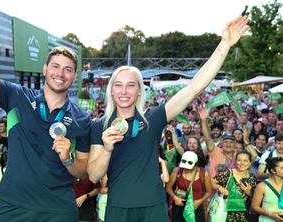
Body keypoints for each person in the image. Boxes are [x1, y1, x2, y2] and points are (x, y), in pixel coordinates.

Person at [87, 15, 249, 222]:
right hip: (118, 208)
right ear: (111, 90)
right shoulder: (99, 125)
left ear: (139, 91)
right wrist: (107, 148)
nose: (124, 91)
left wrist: (224, 44)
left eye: (131, 85)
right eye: (118, 85)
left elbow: (194, 87)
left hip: (153, 208)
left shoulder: (152, 119)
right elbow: (93, 175)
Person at [0, 1, 91, 221]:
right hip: (14, 207)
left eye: (68, 69)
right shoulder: (17, 97)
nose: (60, 73)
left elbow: (82, 171)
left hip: (58, 209)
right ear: (44, 69)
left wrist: (67, 159)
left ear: (74, 76)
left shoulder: (82, 119)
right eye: (55, 66)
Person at [211, 150, 257, 221]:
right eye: (239, 160)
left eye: (245, 161)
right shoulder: (229, 173)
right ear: (235, 162)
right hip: (225, 214)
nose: (242, 163)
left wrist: (249, 192)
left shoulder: (252, 177)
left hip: (244, 216)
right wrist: (220, 188)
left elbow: (255, 199)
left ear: (250, 162)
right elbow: (210, 182)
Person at [166, 151, 212, 222]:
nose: (186, 169)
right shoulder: (177, 171)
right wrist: (175, 197)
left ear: (196, 164)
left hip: (196, 207)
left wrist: (200, 201)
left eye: (189, 167)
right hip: (179, 206)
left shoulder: (203, 173)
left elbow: (209, 192)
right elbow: (168, 188)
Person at [252, 157, 283, 222]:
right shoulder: (262, 186)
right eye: (282, 168)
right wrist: (270, 214)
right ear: (273, 170)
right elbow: (255, 206)